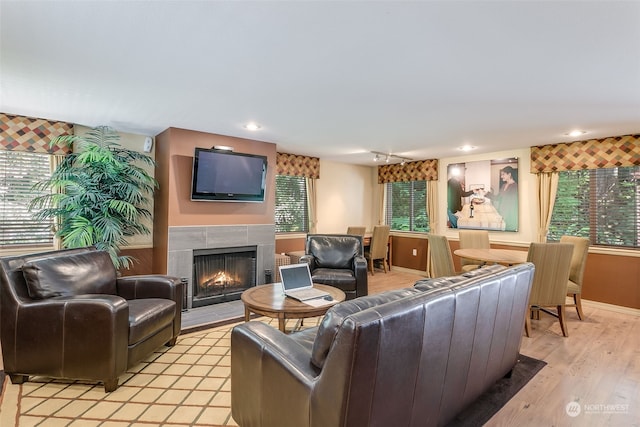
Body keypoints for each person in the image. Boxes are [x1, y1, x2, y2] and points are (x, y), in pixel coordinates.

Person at [491, 166, 518, 231]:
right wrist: (486, 194)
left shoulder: (515, 187)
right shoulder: (503, 186)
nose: (501, 176)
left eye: (503, 174)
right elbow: (498, 198)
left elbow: (511, 206)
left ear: (509, 174)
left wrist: (503, 216)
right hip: (501, 214)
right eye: (501, 175)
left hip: (509, 218)